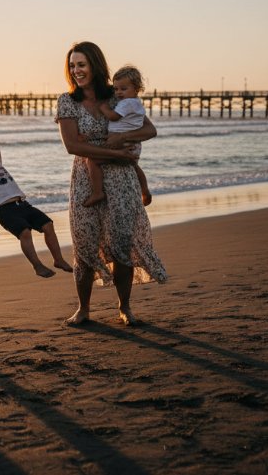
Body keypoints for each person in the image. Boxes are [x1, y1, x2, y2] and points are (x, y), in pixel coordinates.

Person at [55, 41, 168, 326]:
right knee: (84, 240)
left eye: (81, 64)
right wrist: (116, 150)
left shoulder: (118, 97)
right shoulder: (67, 101)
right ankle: (83, 309)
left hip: (121, 178)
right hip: (86, 178)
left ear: (95, 64)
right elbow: (72, 146)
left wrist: (119, 142)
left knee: (121, 242)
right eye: (72, 66)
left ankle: (125, 308)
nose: (76, 70)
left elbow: (149, 129)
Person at [0, 134, 74, 278]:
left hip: (23, 205)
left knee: (48, 225)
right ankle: (37, 265)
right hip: (5, 210)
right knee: (25, 233)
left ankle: (58, 259)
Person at [83, 65, 152, 207]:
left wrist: (104, 108)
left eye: (123, 89)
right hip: (133, 146)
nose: (119, 92)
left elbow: (113, 117)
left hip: (121, 145)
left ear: (136, 89)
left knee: (92, 160)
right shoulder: (136, 103)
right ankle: (145, 190)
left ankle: (97, 192)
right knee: (134, 166)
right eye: (116, 89)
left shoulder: (126, 103)